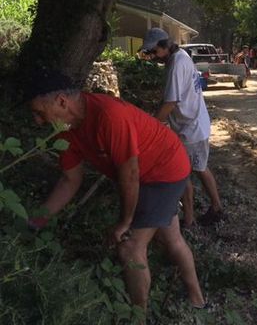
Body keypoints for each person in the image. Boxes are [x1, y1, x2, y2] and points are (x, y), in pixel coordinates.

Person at [25, 72, 205, 312]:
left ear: (61, 102)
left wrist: (125, 222)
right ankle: (197, 299)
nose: (37, 121)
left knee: (129, 247)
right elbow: (70, 179)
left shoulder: (109, 116)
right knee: (170, 237)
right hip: (148, 172)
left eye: (39, 112)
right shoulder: (64, 129)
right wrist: (36, 220)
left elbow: (129, 175)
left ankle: (136, 317)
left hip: (164, 170)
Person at [141, 28, 224, 228]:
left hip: (191, 128)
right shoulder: (179, 56)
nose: (153, 57)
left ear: (164, 46)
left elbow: (170, 102)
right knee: (200, 169)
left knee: (185, 173)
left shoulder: (176, 64)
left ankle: (190, 219)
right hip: (192, 123)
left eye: (154, 52)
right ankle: (215, 208)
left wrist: (151, 125)